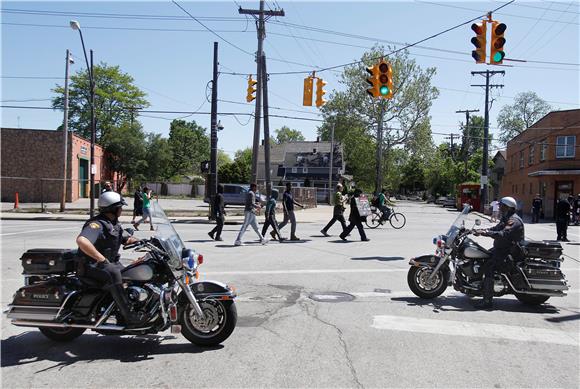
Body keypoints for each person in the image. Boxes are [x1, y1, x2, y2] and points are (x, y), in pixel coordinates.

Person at [76, 191, 144, 326]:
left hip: (108, 263)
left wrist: (145, 242)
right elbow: (82, 240)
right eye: (120, 207)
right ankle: (129, 315)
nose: (122, 210)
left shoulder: (113, 223)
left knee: (132, 272)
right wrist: (101, 259)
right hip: (91, 265)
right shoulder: (97, 224)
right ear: (113, 208)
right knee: (114, 273)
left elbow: (126, 239)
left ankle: (124, 305)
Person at [474, 196, 524, 310]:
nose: (499, 207)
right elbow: (496, 228)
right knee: (481, 257)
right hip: (500, 249)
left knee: (489, 267)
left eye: (501, 205)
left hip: (508, 253)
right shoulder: (506, 218)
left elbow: (503, 234)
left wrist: (485, 233)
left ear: (507, 207)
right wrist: (481, 230)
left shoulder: (514, 220)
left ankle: (487, 301)